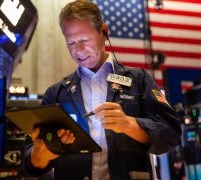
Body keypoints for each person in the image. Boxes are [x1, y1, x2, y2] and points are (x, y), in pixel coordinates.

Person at [24, 0, 181, 179]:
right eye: (71, 43)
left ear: (104, 32)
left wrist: (129, 124)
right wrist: (42, 152)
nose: (79, 50)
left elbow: (171, 133)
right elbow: (31, 164)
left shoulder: (138, 80)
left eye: (85, 40)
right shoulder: (56, 93)